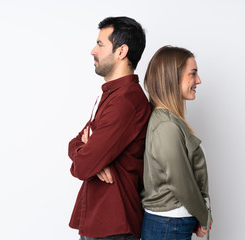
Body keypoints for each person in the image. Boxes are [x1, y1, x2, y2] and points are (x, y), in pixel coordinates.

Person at [68, 16, 151, 240]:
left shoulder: (125, 102)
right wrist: (88, 154)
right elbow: (74, 142)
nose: (93, 51)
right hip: (100, 223)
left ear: (121, 51)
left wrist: (90, 158)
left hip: (113, 228)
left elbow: (83, 167)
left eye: (100, 44)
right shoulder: (112, 95)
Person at [141, 46, 212, 240]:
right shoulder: (166, 125)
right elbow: (180, 181)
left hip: (171, 224)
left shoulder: (170, 121)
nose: (198, 80)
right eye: (193, 74)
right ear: (173, 77)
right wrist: (204, 216)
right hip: (169, 225)